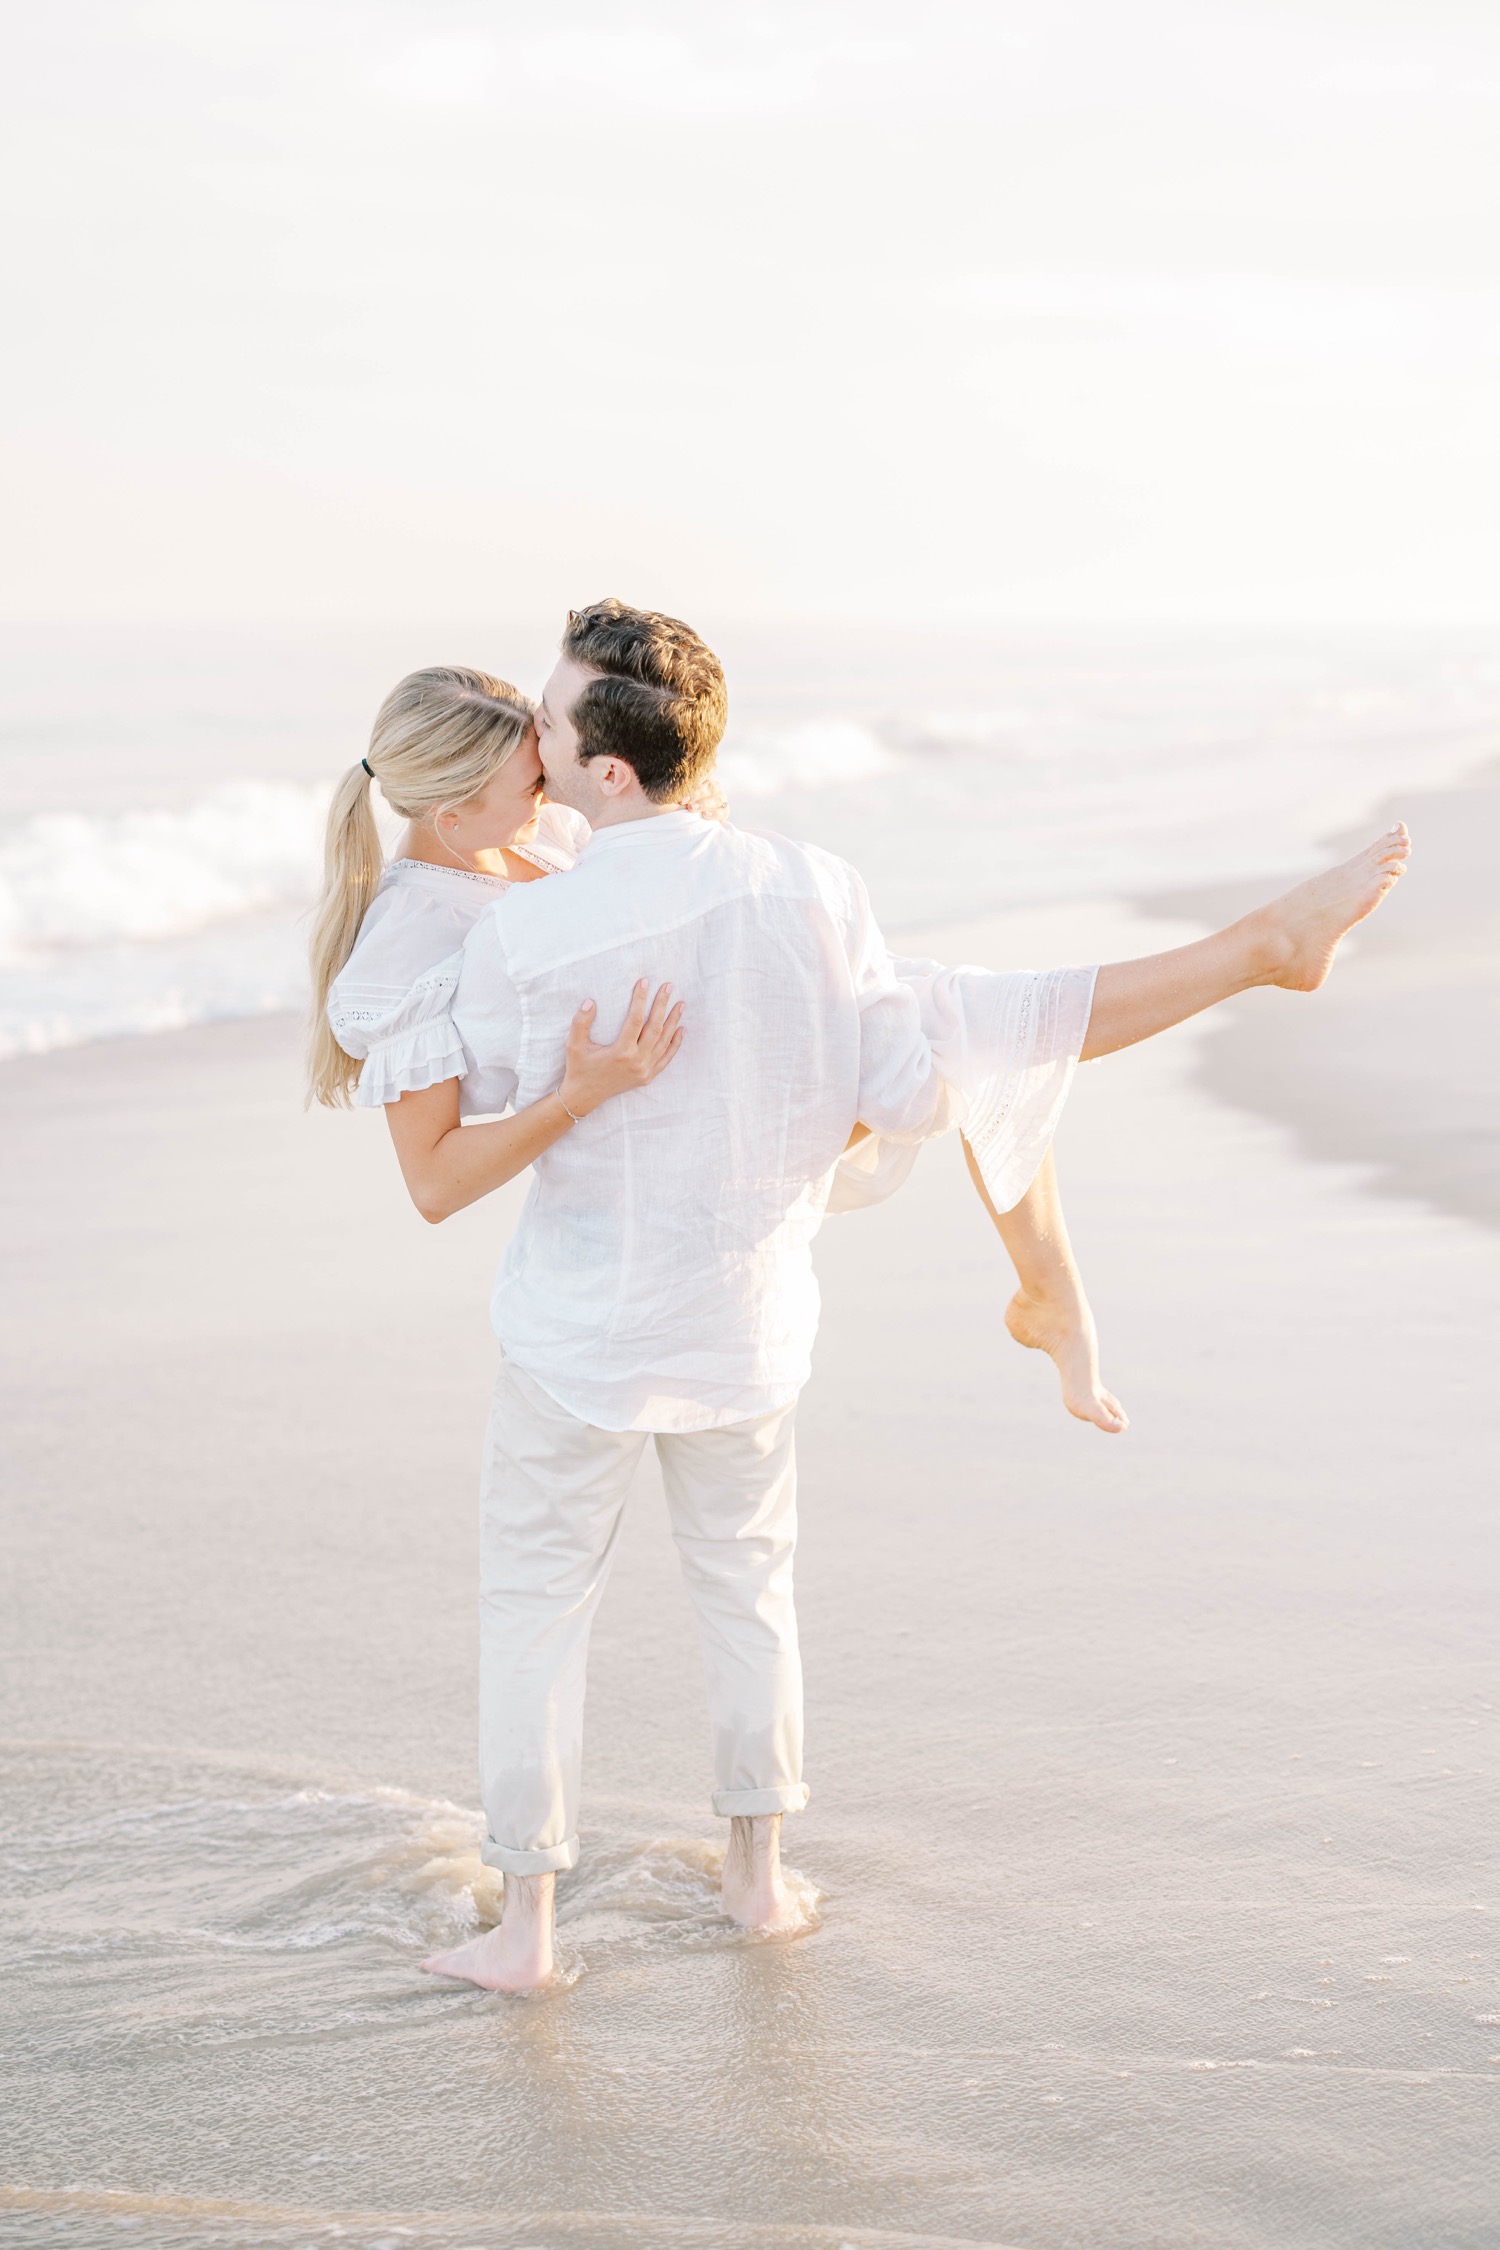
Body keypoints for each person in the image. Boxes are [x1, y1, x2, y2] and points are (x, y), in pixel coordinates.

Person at [330, 600, 1406, 1992]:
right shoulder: (814, 884)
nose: (530, 742)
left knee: (537, 1610)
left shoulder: (514, 941)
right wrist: (794, 1096)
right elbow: (901, 1090)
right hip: (748, 1326)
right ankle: (760, 1886)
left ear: (606, 772)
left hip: (578, 1338)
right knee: (752, 1594)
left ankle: (527, 1931)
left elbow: (455, 1126)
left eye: (547, 720)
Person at [308, 666, 1127, 1431]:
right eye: (531, 782)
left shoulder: (537, 832)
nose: (549, 787)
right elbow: (434, 1185)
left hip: (699, 1059)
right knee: (944, 1023)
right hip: (645, 1144)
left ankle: (1050, 1288)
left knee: (951, 1010)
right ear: (451, 815)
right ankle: (1047, 1279)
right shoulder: (405, 950)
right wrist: (577, 1094)